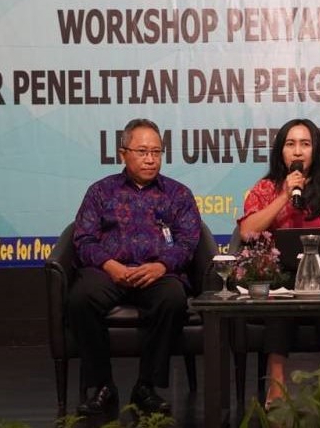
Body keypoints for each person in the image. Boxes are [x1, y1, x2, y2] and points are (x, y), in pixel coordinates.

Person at [68, 118, 202, 417]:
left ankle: (146, 387)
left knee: (173, 299)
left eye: (156, 152)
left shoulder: (178, 194)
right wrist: (110, 265)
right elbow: (83, 239)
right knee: (81, 299)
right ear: (123, 153)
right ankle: (102, 386)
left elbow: (188, 241)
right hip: (109, 271)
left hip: (157, 273)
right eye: (142, 152)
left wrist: (161, 266)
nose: (150, 159)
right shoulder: (100, 192)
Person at [238, 118, 320, 406]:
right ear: (280, 152)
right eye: (291, 144)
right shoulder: (265, 189)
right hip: (283, 273)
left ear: (315, 150)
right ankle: (276, 385)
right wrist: (284, 196)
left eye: (305, 144)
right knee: (278, 292)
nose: (297, 151)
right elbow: (247, 232)